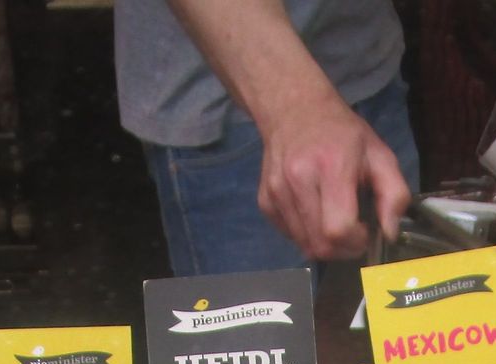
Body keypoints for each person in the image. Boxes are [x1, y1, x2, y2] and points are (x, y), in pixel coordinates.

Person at [115, 0, 419, 275]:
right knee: (261, 320)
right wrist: (298, 106)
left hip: (367, 62)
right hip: (231, 110)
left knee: (403, 309)